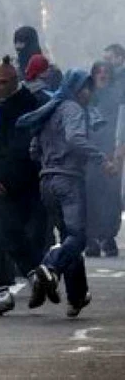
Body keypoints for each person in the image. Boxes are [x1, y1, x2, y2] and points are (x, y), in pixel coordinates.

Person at [18, 69, 118, 318]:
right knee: (78, 238)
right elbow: (75, 139)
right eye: (84, 88)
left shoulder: (49, 109)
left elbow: (33, 150)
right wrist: (99, 158)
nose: (87, 93)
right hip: (68, 180)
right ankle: (50, 264)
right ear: (74, 88)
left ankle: (76, 296)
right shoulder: (71, 109)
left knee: (68, 238)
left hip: (47, 182)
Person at [0, 57, 47, 316]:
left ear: (14, 83)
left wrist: (4, 179)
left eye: (2, 82)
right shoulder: (9, 106)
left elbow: (20, 149)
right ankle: (35, 274)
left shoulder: (19, 109)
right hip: (16, 183)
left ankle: (3, 291)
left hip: (19, 184)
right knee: (10, 231)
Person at [85, 62, 121, 257]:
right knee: (90, 197)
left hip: (111, 152)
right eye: (98, 72)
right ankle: (91, 238)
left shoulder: (116, 98)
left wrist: (117, 151)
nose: (102, 75)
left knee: (111, 197)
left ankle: (108, 237)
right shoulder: (87, 98)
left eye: (106, 72)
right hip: (90, 155)